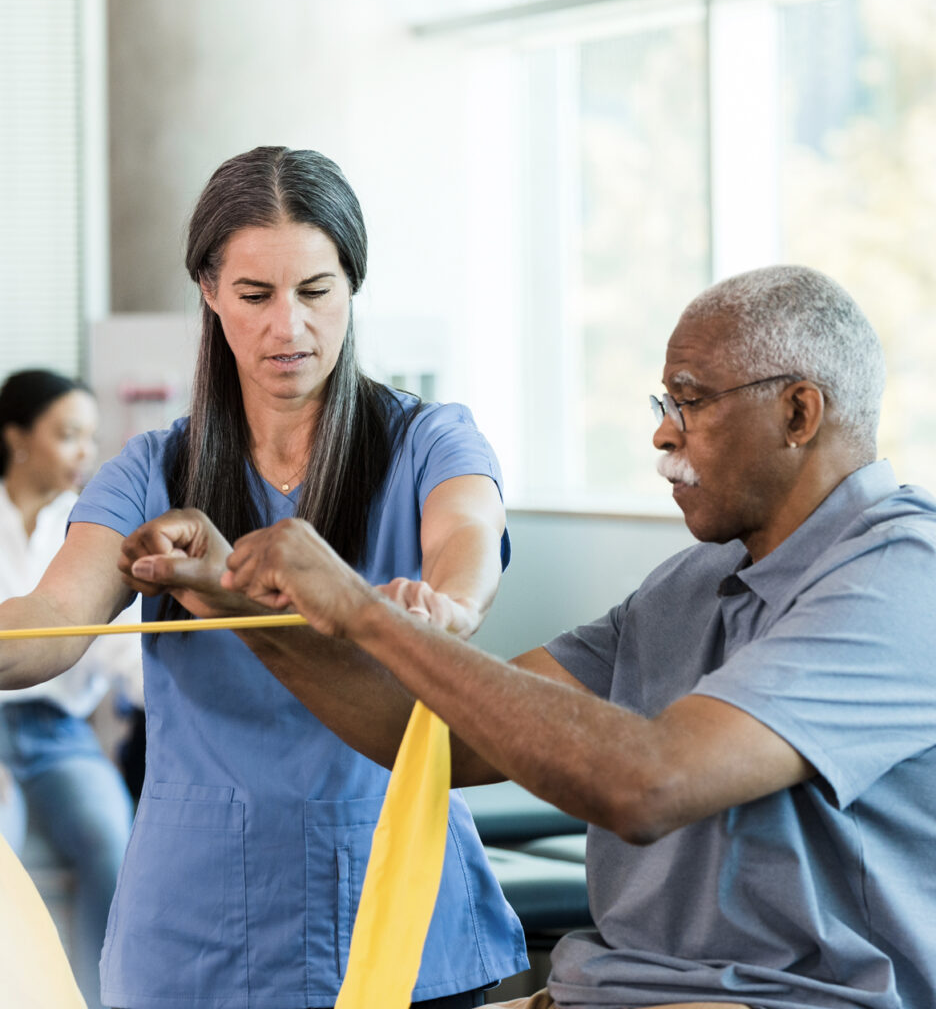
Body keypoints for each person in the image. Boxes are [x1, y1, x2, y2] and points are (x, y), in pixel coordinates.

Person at [125, 265, 936, 1009]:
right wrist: (238, 603)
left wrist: (364, 611)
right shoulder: (694, 581)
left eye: (689, 401)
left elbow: (649, 784)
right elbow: (437, 736)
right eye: (666, 406)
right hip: (614, 991)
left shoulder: (902, 575)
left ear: (798, 411)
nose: (664, 434)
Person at [0, 148, 527, 1009]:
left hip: (396, 903)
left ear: (352, 286)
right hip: (198, 919)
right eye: (255, 295)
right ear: (209, 290)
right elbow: (54, 618)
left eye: (316, 292)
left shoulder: (430, 440)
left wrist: (447, 604)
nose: (289, 328)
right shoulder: (149, 468)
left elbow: (467, 534)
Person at [0, 369, 138, 1009]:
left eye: (90, 436)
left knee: (112, 835)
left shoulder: (88, 529)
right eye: (67, 434)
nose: (86, 451)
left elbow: (121, 651)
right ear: (18, 437)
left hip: (59, 735)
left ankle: (100, 999)